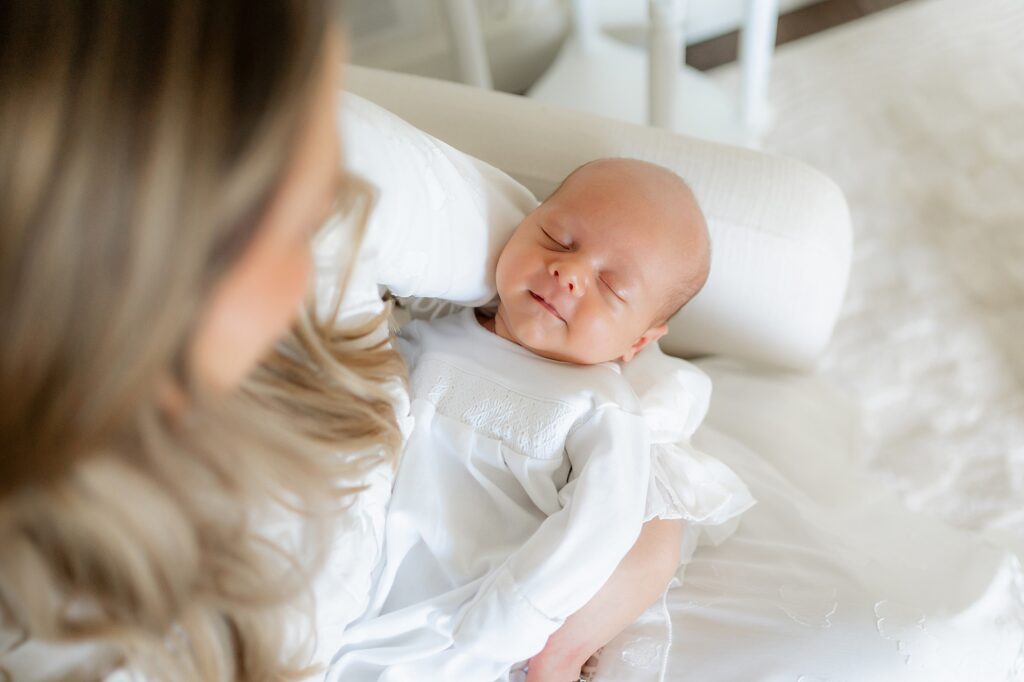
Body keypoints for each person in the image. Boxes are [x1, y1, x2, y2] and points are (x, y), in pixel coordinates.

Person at [0, 3, 686, 679]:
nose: (568, 275)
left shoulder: (599, 406)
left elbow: (628, 517)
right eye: (299, 221)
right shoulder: (100, 596)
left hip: (455, 621)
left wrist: (525, 624)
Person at [327, 158, 752, 681]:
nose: (568, 274)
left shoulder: (601, 408)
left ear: (638, 342)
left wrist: (513, 617)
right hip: (354, 586)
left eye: (612, 288)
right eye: (557, 239)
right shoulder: (432, 333)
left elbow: (598, 528)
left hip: (468, 625)